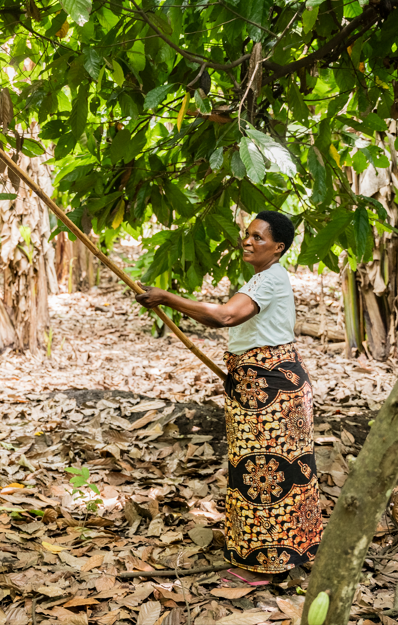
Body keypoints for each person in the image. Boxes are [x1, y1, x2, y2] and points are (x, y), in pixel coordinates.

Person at [135, 211, 321, 583]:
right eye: (247, 234)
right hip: (263, 381)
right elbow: (217, 319)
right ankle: (290, 554)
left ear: (278, 247)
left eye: (259, 237)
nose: (248, 241)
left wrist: (167, 298)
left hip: (269, 387)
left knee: (264, 473)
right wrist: (166, 303)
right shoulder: (263, 278)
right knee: (275, 470)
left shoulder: (268, 279)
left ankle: (263, 567)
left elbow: (224, 317)